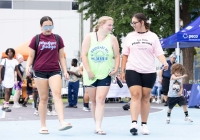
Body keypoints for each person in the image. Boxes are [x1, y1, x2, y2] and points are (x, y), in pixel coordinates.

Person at [121, 13, 168, 135]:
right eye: (132, 23)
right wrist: (122, 70)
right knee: (136, 95)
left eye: (134, 23)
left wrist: (164, 62)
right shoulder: (130, 36)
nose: (133, 25)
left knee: (146, 97)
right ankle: (134, 123)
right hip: (133, 69)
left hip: (149, 70)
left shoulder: (153, 36)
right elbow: (125, 55)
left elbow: (159, 52)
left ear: (142, 22)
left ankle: (144, 125)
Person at [26, 16, 72, 134]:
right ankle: (43, 125)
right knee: (43, 98)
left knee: (57, 94)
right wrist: (27, 67)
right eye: (46, 26)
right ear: (41, 26)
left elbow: (61, 56)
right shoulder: (36, 39)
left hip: (55, 70)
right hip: (39, 71)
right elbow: (31, 56)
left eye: (50, 25)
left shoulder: (57, 38)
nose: (48, 28)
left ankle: (62, 121)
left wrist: (65, 71)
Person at [81, 16, 120, 135]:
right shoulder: (89, 37)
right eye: (109, 25)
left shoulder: (112, 39)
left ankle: (98, 126)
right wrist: (88, 70)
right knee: (93, 100)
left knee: (100, 99)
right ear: (101, 24)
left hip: (105, 74)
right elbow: (83, 55)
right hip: (91, 74)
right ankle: (96, 123)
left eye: (112, 25)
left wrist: (116, 68)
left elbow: (117, 55)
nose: (111, 27)